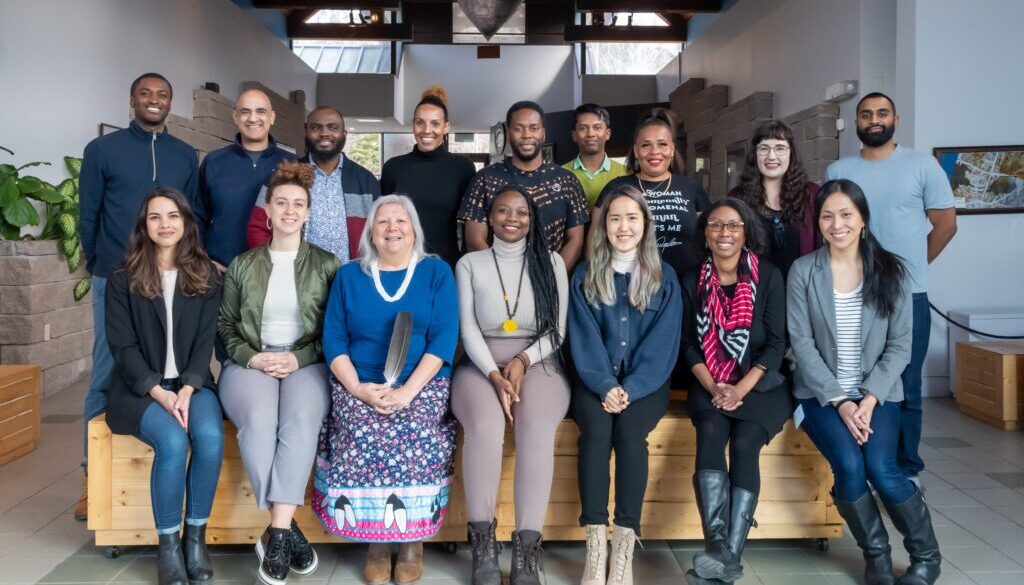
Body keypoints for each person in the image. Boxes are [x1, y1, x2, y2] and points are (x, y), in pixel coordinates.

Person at [788, 179, 941, 585]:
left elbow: (901, 345)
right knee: (851, 467)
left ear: (862, 219)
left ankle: (926, 557)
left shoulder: (892, 270)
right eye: (827, 216)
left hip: (878, 394)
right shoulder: (804, 271)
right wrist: (841, 401)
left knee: (883, 469)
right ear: (817, 222)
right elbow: (801, 344)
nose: (836, 224)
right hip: (820, 396)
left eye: (845, 214)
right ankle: (876, 558)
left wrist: (869, 399)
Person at [314, 195, 459, 585]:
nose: (392, 228)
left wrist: (408, 392)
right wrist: (359, 390)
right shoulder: (349, 275)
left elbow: (444, 338)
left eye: (401, 221)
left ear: (414, 230)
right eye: (383, 222)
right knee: (363, 430)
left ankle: (412, 541)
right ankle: (375, 541)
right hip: (358, 382)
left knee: (414, 431)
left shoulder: (436, 273)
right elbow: (334, 340)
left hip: (421, 382)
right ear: (371, 233)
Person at [77, 72, 199, 520]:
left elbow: (193, 214)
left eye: (162, 94)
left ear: (170, 102)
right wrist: (97, 266)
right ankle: (92, 479)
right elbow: (87, 212)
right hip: (117, 278)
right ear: (132, 99)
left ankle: (153, 458)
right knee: (107, 371)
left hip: (173, 276)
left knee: (171, 363)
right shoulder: (102, 150)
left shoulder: (185, 155)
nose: (154, 100)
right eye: (145, 93)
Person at [217, 163, 340, 585]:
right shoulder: (243, 264)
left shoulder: (328, 265)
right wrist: (252, 358)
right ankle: (285, 529)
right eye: (281, 202)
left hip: (307, 362)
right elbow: (226, 326)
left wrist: (300, 359)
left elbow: (336, 333)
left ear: (309, 212)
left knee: (301, 420)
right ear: (267, 210)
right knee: (260, 422)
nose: (290, 210)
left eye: (298, 204)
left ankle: (278, 532)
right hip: (249, 363)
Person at [825, 92, 957, 483]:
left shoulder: (922, 166)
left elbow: (946, 225)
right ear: (857, 123)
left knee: (906, 385)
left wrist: (907, 269)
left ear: (896, 120)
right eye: (866, 115)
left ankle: (906, 469)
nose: (874, 120)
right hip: (850, 293)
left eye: (882, 113)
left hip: (907, 295)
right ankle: (864, 465)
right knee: (855, 381)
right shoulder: (838, 170)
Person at [103, 188, 222, 585]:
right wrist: (159, 391)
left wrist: (187, 389)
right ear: (144, 225)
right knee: (173, 442)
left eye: (173, 215)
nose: (165, 224)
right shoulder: (123, 278)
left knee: (209, 436)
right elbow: (122, 346)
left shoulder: (204, 274)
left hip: (192, 383)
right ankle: (169, 547)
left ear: (186, 222)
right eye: (155, 217)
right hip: (140, 389)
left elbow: (206, 341)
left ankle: (195, 542)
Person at [452, 186, 570, 585]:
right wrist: (495, 374)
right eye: (502, 211)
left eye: (521, 211)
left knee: (535, 429)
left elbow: (558, 331)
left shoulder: (551, 262)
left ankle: (526, 549)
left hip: (538, 360)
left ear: (532, 218)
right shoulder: (469, 263)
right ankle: (483, 544)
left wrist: (520, 361)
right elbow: (467, 330)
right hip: (480, 363)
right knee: (484, 428)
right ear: (489, 218)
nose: (512, 218)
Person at [569, 185, 682, 585]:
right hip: (593, 382)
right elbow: (583, 339)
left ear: (645, 224)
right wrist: (604, 384)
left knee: (631, 436)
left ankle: (623, 550)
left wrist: (629, 388)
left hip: (644, 386)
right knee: (596, 435)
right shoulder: (584, 274)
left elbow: (662, 346)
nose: (623, 226)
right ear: (604, 225)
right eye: (615, 218)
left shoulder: (663, 277)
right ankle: (595, 548)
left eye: (632, 217)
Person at [680, 198, 791, 585]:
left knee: (745, 443)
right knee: (711, 432)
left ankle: (728, 555)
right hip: (708, 383)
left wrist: (740, 388)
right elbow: (688, 345)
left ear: (747, 232)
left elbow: (776, 344)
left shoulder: (769, 276)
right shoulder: (691, 280)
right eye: (715, 226)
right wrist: (714, 386)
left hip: (760, 386)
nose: (724, 233)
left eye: (733, 226)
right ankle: (718, 552)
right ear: (705, 234)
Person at [459, 101, 589, 273]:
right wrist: (504, 279)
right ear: (508, 133)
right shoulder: (485, 178)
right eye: (519, 128)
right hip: (497, 283)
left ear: (543, 134)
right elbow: (474, 240)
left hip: (550, 285)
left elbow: (575, 241)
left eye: (534, 128)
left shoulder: (566, 181)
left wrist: (551, 279)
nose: (527, 135)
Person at [248, 106, 380, 262]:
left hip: (351, 278)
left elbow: (380, 232)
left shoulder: (366, 180)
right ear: (306, 132)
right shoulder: (284, 175)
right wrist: (277, 266)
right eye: (316, 127)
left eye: (333, 127)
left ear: (344, 134)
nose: (324, 133)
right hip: (298, 280)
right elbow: (257, 228)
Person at [595, 107, 710, 278]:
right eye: (646, 145)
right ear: (636, 151)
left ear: (672, 149)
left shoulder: (691, 188)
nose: (654, 151)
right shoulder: (616, 188)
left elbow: (709, 239)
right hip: (630, 285)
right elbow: (594, 244)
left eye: (662, 144)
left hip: (687, 285)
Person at [196, 88, 295, 272]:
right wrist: (203, 259)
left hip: (275, 273)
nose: (252, 118)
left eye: (261, 111)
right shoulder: (214, 162)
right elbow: (197, 217)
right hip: (221, 273)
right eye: (245, 112)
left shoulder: (291, 163)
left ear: (272, 117)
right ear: (235, 117)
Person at [381, 85, 476, 268]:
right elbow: (383, 221)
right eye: (420, 122)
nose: (426, 130)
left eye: (435, 123)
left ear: (446, 127)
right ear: (413, 125)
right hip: (400, 261)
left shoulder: (462, 167)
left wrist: (467, 264)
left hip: (447, 262)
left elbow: (469, 226)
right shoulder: (394, 167)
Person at [729, 120, 820, 278]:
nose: (771, 156)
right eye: (764, 148)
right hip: (755, 294)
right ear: (754, 154)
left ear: (791, 153)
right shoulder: (737, 197)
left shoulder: (811, 195)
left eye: (780, 148)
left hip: (801, 293)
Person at [562, 103, 628, 210]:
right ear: (574, 135)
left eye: (597, 127)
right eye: (583, 128)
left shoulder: (626, 173)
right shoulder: (560, 175)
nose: (590, 134)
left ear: (607, 134)